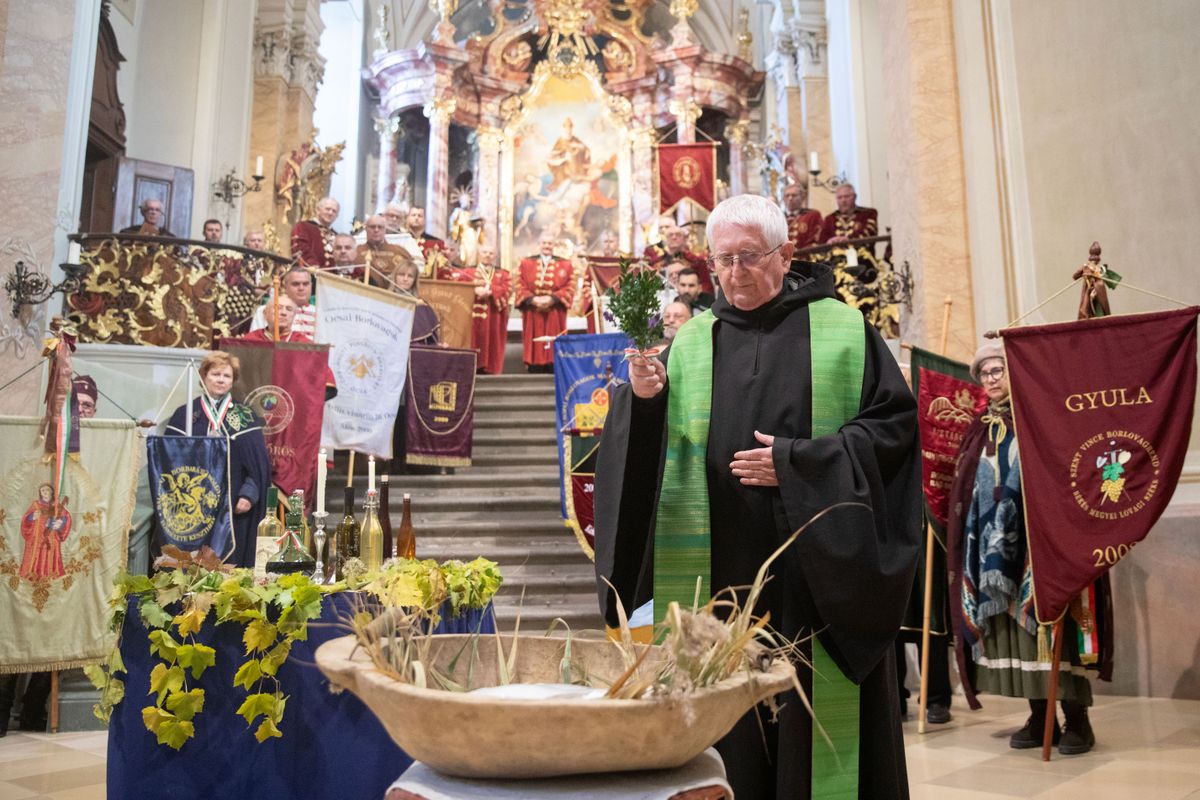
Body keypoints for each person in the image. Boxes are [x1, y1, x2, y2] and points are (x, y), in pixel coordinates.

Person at [593, 193, 920, 799]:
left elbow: (894, 433)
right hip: (718, 576)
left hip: (817, 571)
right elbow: (645, 456)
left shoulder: (846, 332)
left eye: (749, 257)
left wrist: (797, 466)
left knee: (815, 729)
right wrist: (644, 400)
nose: (735, 273)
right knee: (728, 733)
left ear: (785, 253)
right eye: (723, 261)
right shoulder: (692, 342)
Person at [947, 343, 1111, 756]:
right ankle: (1040, 716)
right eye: (984, 373)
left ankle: (1077, 718)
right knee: (1013, 635)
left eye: (999, 369)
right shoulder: (979, 427)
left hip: (1042, 548)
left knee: (1053, 630)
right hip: (992, 551)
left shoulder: (1042, 419)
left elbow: (1069, 471)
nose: (991, 379)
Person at [164, 351, 272, 569]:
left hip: (233, 509)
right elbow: (169, 461)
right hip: (192, 508)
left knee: (229, 566)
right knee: (192, 563)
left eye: (227, 376)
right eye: (215, 374)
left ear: (233, 381)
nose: (221, 380)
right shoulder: (185, 414)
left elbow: (258, 465)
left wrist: (248, 495)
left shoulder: (245, 416)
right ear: (204, 376)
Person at [515, 231, 574, 373]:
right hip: (532, 310)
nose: (547, 246)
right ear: (539, 244)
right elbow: (519, 284)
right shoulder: (525, 263)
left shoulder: (565, 264)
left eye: (550, 243)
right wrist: (533, 299)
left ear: (554, 245)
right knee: (534, 341)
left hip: (555, 311)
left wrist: (552, 299)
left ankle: (553, 366)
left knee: (554, 342)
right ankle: (534, 367)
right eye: (544, 243)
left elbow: (570, 286)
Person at [467, 245, 511, 375]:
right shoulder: (468, 272)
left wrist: (491, 291)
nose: (487, 255)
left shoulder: (503, 274)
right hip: (471, 318)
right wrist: (473, 290)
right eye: (484, 252)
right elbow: (459, 289)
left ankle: (490, 369)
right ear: (479, 254)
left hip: (493, 317)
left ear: (495, 256)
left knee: (492, 343)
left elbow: (507, 290)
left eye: (491, 253)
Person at [644, 223, 713, 293]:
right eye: (670, 235)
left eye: (678, 235)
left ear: (684, 239)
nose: (674, 237)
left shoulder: (697, 262)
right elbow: (649, 287)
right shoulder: (655, 264)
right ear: (665, 239)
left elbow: (706, 286)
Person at [251, 266, 315, 336]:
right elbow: (255, 341)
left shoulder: (321, 313)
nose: (301, 288)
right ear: (285, 286)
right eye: (295, 284)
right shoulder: (266, 310)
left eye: (305, 284)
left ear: (311, 286)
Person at [358, 214, 407, 288]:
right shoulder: (356, 252)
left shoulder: (399, 251)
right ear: (366, 229)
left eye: (380, 227)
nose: (376, 230)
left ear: (385, 230)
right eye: (372, 227)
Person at [290, 196, 339, 268]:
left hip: (332, 277)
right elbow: (301, 248)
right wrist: (312, 263)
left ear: (337, 216)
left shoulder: (337, 236)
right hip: (309, 273)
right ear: (318, 210)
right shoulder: (303, 227)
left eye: (334, 211)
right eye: (327, 209)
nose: (330, 213)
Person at [783, 183, 822, 251]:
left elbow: (816, 241)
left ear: (802, 197)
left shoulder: (813, 215)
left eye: (794, 195)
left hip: (803, 258)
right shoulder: (778, 218)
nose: (790, 198)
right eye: (787, 195)